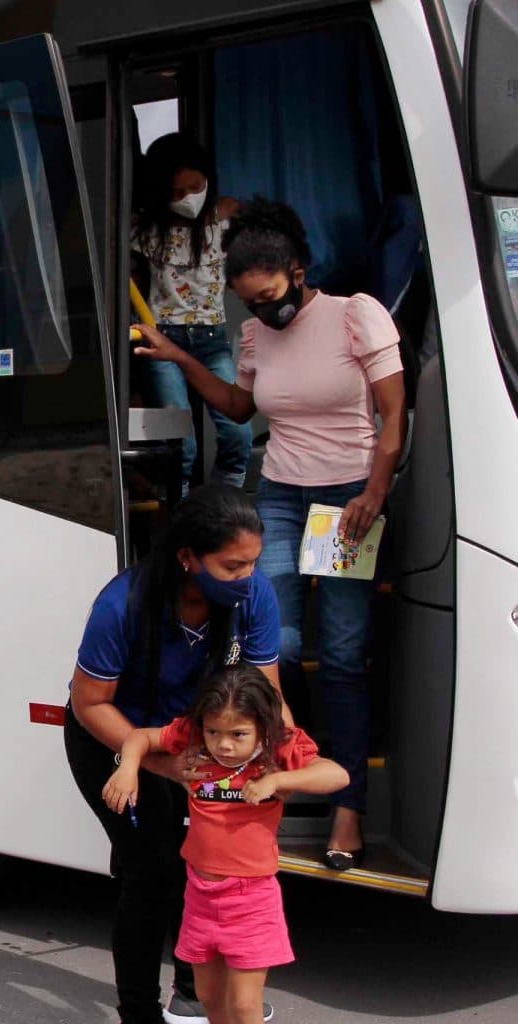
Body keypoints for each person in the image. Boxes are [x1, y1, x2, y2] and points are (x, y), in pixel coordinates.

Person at [131, 198, 407, 869]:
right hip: (281, 495)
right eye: (249, 302)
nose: (262, 311)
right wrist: (178, 356)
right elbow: (238, 405)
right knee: (272, 643)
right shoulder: (255, 337)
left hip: (347, 500)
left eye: (271, 295)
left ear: (298, 271)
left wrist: (374, 490)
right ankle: (277, 775)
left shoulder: (355, 314)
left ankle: (348, 806)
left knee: (340, 653)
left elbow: (395, 411)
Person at [65, 484, 287, 1024]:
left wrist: (288, 759)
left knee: (203, 861)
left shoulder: (253, 596)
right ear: (188, 557)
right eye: (232, 565)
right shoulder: (123, 605)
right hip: (114, 738)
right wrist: (161, 766)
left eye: (254, 563)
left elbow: (267, 697)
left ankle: (192, 994)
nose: (247, 578)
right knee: (153, 872)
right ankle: (138, 1012)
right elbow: (89, 702)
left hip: (196, 743)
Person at [104, 666, 348, 1024]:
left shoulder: (277, 751)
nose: (224, 744)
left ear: (263, 728)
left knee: (246, 1006)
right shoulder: (194, 740)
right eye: (214, 731)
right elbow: (140, 738)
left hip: (250, 899)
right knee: (209, 999)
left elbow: (336, 775)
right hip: (200, 896)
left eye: (238, 734)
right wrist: (128, 768)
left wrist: (279, 779)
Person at [132, 134, 251, 491]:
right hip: (162, 340)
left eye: (195, 187)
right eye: (176, 194)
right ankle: (180, 510)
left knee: (238, 432)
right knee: (180, 444)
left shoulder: (225, 220)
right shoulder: (147, 232)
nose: (187, 199)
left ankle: (224, 502)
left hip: (211, 338)